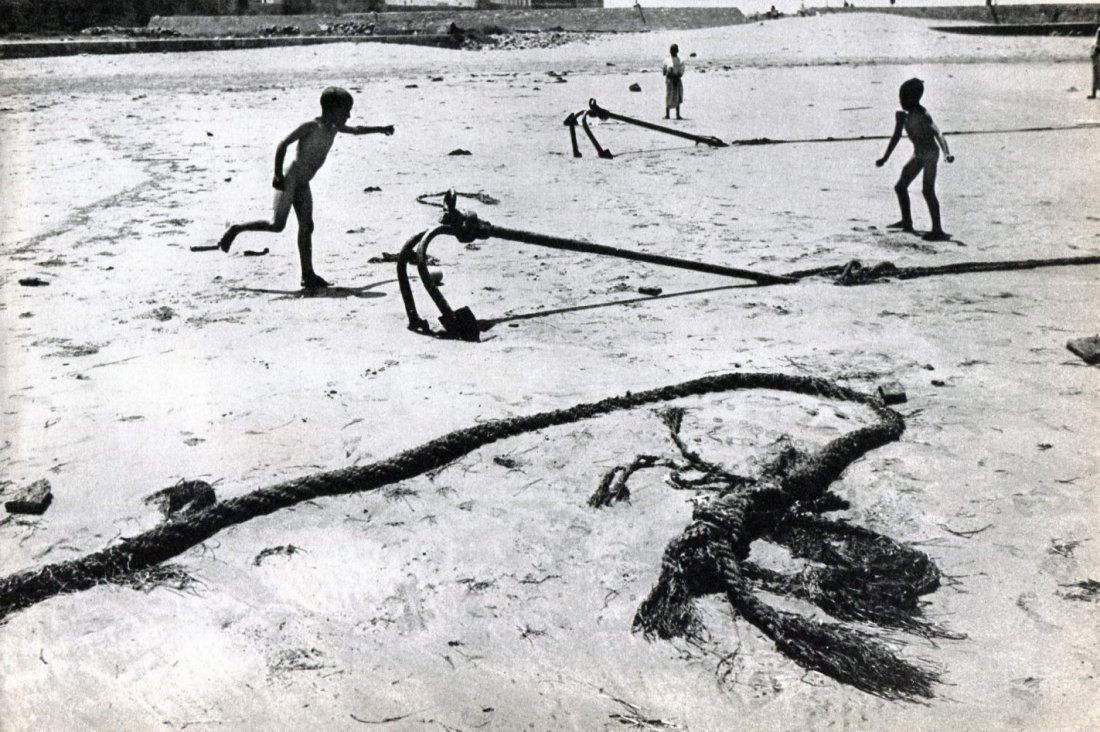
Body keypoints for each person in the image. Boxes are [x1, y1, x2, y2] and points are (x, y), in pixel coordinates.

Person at [217, 87, 394, 289]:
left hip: (302, 183)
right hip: (290, 179)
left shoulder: (334, 127)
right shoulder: (312, 126)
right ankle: (236, 228)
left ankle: (307, 274)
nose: (348, 116)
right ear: (332, 110)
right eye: (346, 111)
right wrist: (277, 174)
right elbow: (283, 144)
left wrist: (381, 129)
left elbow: (356, 130)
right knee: (277, 225)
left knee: (307, 226)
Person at [875, 78, 955, 241]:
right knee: (900, 187)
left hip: (931, 154)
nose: (901, 101)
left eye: (904, 98)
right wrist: (885, 158)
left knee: (928, 190)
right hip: (918, 154)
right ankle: (907, 221)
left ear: (915, 98)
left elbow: (938, 134)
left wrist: (946, 153)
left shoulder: (923, 114)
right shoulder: (902, 116)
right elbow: (896, 137)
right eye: (900, 97)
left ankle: (938, 229)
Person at [662, 44, 685, 120]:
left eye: (673, 50)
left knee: (676, 96)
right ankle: (668, 114)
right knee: (670, 95)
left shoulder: (680, 60)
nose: (672, 52)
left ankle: (676, 114)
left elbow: (681, 71)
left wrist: (676, 76)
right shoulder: (668, 60)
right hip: (671, 80)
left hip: (675, 80)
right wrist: (670, 74)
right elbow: (664, 71)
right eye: (672, 50)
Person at [1089, 28, 1100, 99]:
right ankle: (1093, 93)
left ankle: (1094, 94)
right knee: (1096, 73)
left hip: (1097, 54)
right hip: (1097, 54)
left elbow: (1097, 43)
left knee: (1096, 74)